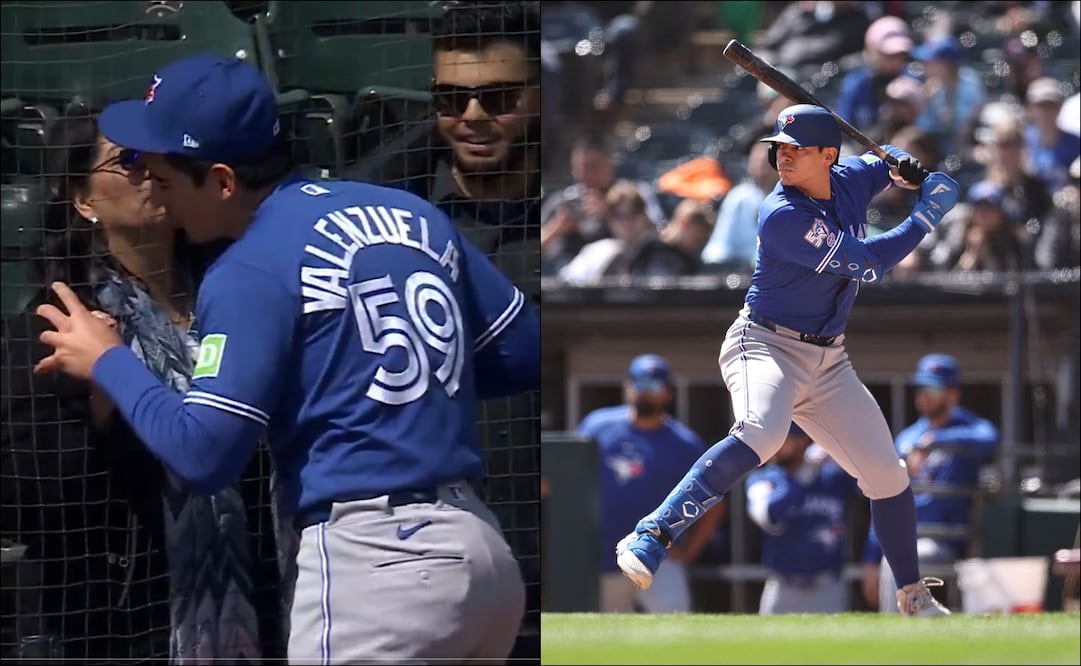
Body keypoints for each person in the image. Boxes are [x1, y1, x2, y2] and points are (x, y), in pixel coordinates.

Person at [30, 52, 540, 664]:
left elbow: (203, 455)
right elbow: (523, 352)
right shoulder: (407, 212)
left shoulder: (249, 266)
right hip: (482, 556)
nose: (160, 197)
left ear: (222, 181)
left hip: (376, 568)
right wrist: (387, 388)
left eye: (166, 180)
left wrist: (109, 359)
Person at [613, 103, 961, 617]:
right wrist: (925, 215)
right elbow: (868, 265)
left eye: (796, 149)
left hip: (829, 360)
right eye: (779, 148)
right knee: (762, 432)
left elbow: (884, 160)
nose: (783, 156)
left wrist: (902, 167)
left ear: (829, 155)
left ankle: (913, 596)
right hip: (765, 344)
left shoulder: (849, 179)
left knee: (889, 476)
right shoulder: (781, 213)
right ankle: (653, 533)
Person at [0, 103, 286, 662]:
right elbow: (26, 499)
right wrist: (105, 408)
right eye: (127, 159)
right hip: (127, 622)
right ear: (83, 200)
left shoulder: (237, 293)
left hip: (263, 599)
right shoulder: (58, 325)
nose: (150, 170)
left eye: (160, 157)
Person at [578, 354, 724, 613]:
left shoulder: (685, 445)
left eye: (654, 386)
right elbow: (570, 478)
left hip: (659, 553)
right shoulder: (597, 426)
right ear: (628, 386)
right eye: (639, 383)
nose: (645, 391)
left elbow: (713, 504)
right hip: (602, 556)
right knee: (606, 633)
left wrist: (689, 552)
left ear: (668, 393)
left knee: (675, 621)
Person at [862, 354, 1000, 614]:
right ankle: (896, 629)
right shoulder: (907, 437)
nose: (923, 395)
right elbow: (884, 494)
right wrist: (870, 557)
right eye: (920, 387)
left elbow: (990, 438)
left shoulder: (967, 426)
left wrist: (938, 440)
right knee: (890, 556)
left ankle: (897, 628)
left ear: (953, 394)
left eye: (933, 388)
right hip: (908, 533)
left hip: (945, 539)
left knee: (899, 561)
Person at [744, 423, 861, 615]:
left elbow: (872, 487)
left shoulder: (832, 477)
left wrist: (840, 454)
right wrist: (804, 476)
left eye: (784, 438)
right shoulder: (764, 478)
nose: (775, 444)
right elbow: (767, 514)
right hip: (782, 587)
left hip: (828, 586)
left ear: (804, 440)